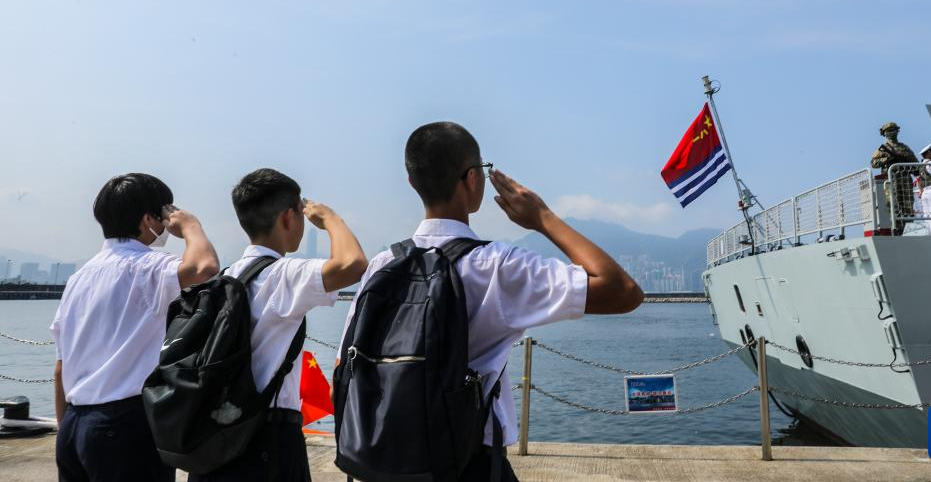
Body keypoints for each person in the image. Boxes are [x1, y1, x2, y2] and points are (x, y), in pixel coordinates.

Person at [339, 121, 644, 482]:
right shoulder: (497, 266)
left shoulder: (382, 264)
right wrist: (542, 217)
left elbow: (345, 363)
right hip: (466, 461)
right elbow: (623, 290)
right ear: (471, 179)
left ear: (412, 182)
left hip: (383, 459)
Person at [189, 168, 367, 482]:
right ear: (288, 218)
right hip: (267, 441)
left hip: (215, 437)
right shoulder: (282, 274)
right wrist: (330, 219)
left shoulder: (226, 278)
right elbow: (353, 264)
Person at [52, 173, 219, 482]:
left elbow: (61, 367)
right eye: (164, 215)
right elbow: (204, 267)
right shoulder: (146, 266)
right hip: (123, 423)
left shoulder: (78, 278)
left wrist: (66, 432)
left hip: (74, 422)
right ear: (148, 219)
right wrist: (191, 226)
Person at [870, 121, 917, 235]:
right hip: (890, 180)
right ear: (885, 134)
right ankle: (895, 230)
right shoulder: (883, 149)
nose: (892, 132)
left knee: (907, 205)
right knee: (892, 205)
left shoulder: (904, 148)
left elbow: (915, 164)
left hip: (905, 180)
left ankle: (906, 230)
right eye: (889, 131)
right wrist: (887, 159)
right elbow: (873, 163)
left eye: (894, 130)